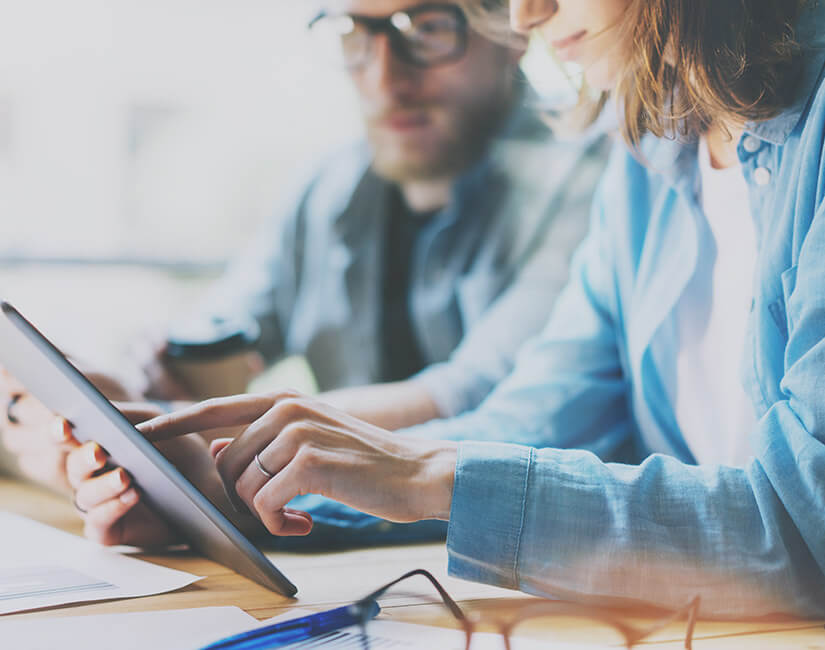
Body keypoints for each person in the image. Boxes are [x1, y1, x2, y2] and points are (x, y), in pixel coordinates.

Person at [0, 1, 607, 489]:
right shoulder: (329, 189)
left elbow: (488, 393)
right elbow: (214, 337)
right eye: (353, 33)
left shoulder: (589, 178)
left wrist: (197, 438)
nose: (385, 77)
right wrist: (107, 396)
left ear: (512, 27)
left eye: (427, 29)